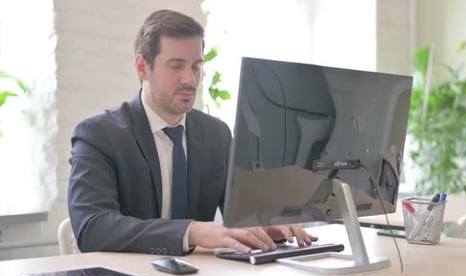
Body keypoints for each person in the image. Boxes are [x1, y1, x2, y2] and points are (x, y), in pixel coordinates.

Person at [68, 9, 317, 256]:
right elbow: (92, 228)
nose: (190, 79)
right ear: (142, 67)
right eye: (176, 66)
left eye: (196, 66)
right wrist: (192, 232)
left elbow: (243, 212)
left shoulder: (216, 134)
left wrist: (262, 224)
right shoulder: (99, 135)